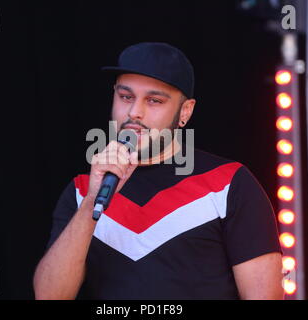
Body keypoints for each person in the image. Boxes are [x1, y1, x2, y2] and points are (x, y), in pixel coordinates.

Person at [33, 42, 284, 300]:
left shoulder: (228, 183)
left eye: (154, 100)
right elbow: (49, 296)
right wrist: (90, 206)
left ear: (185, 111)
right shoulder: (83, 190)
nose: (134, 112)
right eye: (126, 97)